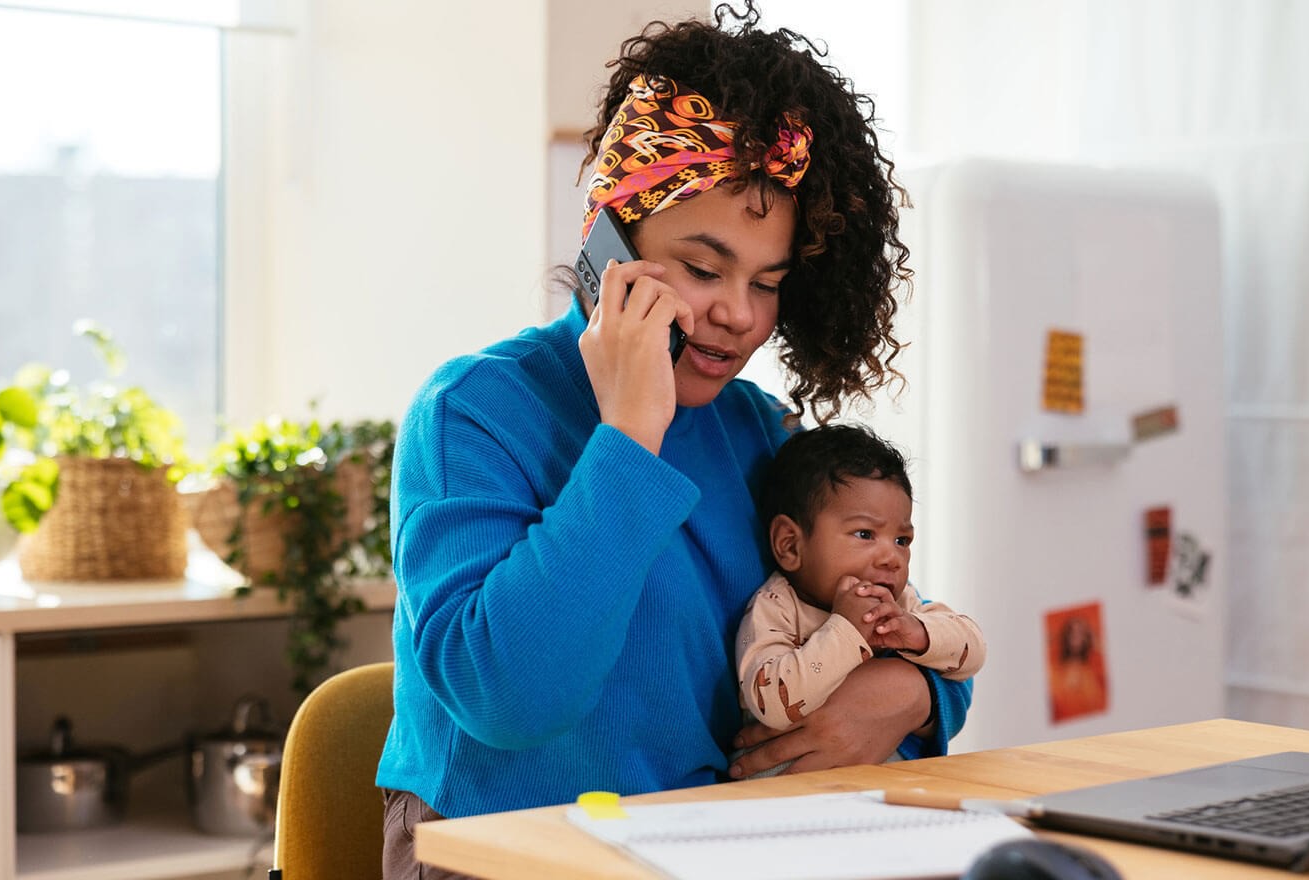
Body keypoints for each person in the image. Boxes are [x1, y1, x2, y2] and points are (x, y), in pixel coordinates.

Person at [377, 3, 974, 876]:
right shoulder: (473, 413)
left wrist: (913, 692)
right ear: (607, 236)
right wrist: (628, 431)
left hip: (711, 841)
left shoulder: (758, 432)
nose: (738, 314)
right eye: (702, 269)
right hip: (508, 853)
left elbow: (889, 607)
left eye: (767, 282)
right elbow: (512, 699)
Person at [733, 423, 986, 775]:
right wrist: (846, 632)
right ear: (790, 544)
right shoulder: (776, 606)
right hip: (788, 798)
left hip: (882, 792)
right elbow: (772, 702)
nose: (892, 557)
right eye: (865, 534)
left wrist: (920, 634)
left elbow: (972, 652)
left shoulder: (899, 602)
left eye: (902, 540)